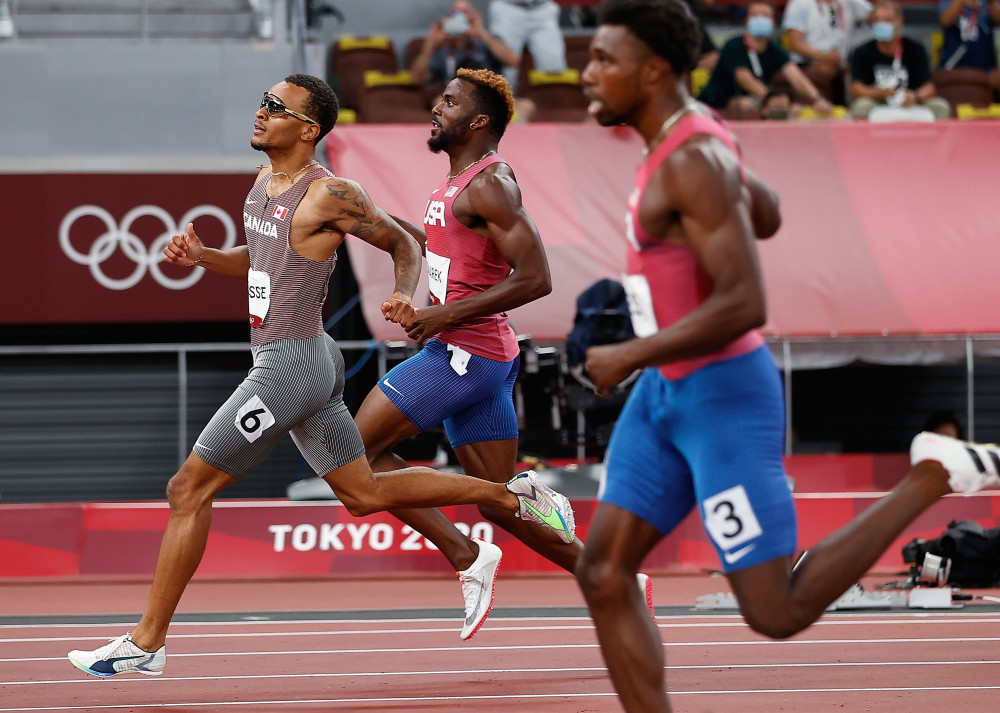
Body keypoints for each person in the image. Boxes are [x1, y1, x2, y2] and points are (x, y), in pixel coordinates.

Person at [66, 73, 575, 679]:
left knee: (188, 489)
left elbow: (403, 245)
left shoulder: (331, 193)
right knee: (362, 494)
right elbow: (259, 261)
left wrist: (406, 298)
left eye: (275, 107)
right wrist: (204, 258)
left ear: (308, 128)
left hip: (291, 367)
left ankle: (147, 643)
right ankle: (510, 495)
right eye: (261, 101)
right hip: (295, 361)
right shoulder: (264, 183)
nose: (261, 112)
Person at [577, 2, 1000, 711]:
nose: (586, 74)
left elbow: (746, 301)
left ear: (654, 70)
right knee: (603, 570)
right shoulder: (697, 142)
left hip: (721, 396)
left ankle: (931, 474)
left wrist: (629, 352)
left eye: (603, 60)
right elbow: (768, 211)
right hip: (665, 394)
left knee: (774, 609)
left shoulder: (694, 158)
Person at [353, 66, 651, 641]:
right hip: (480, 355)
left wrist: (442, 315)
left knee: (356, 456)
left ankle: (468, 556)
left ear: (479, 120)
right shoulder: (455, 183)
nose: (435, 108)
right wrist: (373, 220)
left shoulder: (491, 184)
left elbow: (537, 276)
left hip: (462, 355)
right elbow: (445, 250)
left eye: (448, 102)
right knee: (495, 502)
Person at [696, 0, 833, 119]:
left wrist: (817, 99)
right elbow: (745, 79)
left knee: (786, 105)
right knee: (748, 105)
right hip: (718, 100)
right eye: (755, 15)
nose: (760, 19)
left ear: (773, 22)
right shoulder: (734, 46)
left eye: (765, 16)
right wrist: (771, 99)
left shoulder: (775, 49)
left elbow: (796, 77)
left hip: (756, 99)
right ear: (746, 20)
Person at [850, 0, 952, 119]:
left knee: (940, 106)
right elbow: (856, 90)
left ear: (900, 21)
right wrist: (879, 93)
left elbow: (929, 88)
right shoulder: (862, 51)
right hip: (878, 103)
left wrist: (915, 96)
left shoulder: (915, 49)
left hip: (910, 103)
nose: (881, 24)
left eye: (887, 20)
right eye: (877, 21)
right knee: (860, 107)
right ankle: (864, 137)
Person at [410, 1, 518, 95]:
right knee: (440, 102)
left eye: (465, 13)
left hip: (488, 96)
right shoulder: (443, 49)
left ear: (475, 16)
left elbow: (513, 61)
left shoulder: (487, 43)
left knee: (526, 106)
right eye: (454, 13)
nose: (459, 18)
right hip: (454, 98)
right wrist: (431, 43)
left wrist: (481, 32)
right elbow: (416, 78)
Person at [782, 0, 874, 105]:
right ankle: (819, 104)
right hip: (807, 62)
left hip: (841, 62)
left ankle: (847, 109)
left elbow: (879, 13)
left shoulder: (851, 3)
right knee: (825, 69)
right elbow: (796, 45)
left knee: (855, 68)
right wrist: (825, 56)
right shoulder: (800, 3)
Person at [488, 0, 568, 87]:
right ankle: (502, 100)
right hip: (508, 7)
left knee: (554, 68)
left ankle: (549, 100)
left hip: (542, 7)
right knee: (506, 71)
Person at [938, 0, 1000, 93]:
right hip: (953, 68)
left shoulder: (987, 4)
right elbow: (945, 20)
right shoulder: (947, 2)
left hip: (985, 69)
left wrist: (992, 3)